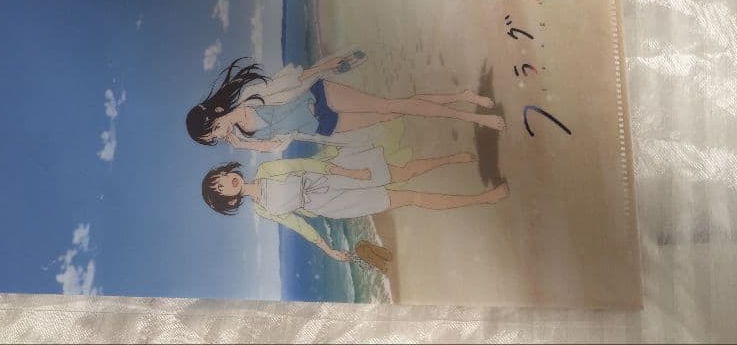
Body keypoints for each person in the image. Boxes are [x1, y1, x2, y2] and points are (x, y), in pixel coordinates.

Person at [201, 148, 508, 261]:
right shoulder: (262, 210)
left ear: (227, 171)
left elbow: (306, 164)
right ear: (228, 200)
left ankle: (451, 157)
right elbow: (298, 224)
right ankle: (483, 199)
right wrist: (328, 250)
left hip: (334, 177)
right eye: (221, 188)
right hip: (333, 205)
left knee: (405, 171)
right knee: (409, 198)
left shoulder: (266, 170)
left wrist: (351, 173)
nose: (227, 181)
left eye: (222, 177)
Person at [186, 54, 504, 154]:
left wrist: (326, 66)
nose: (219, 135)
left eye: (213, 129)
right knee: (391, 112)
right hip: (322, 126)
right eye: (213, 138)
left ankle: (474, 116)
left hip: (319, 97)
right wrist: (244, 144)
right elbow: (278, 145)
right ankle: (462, 97)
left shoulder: (250, 95)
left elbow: (291, 82)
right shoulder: (247, 135)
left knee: (389, 106)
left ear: (216, 112)